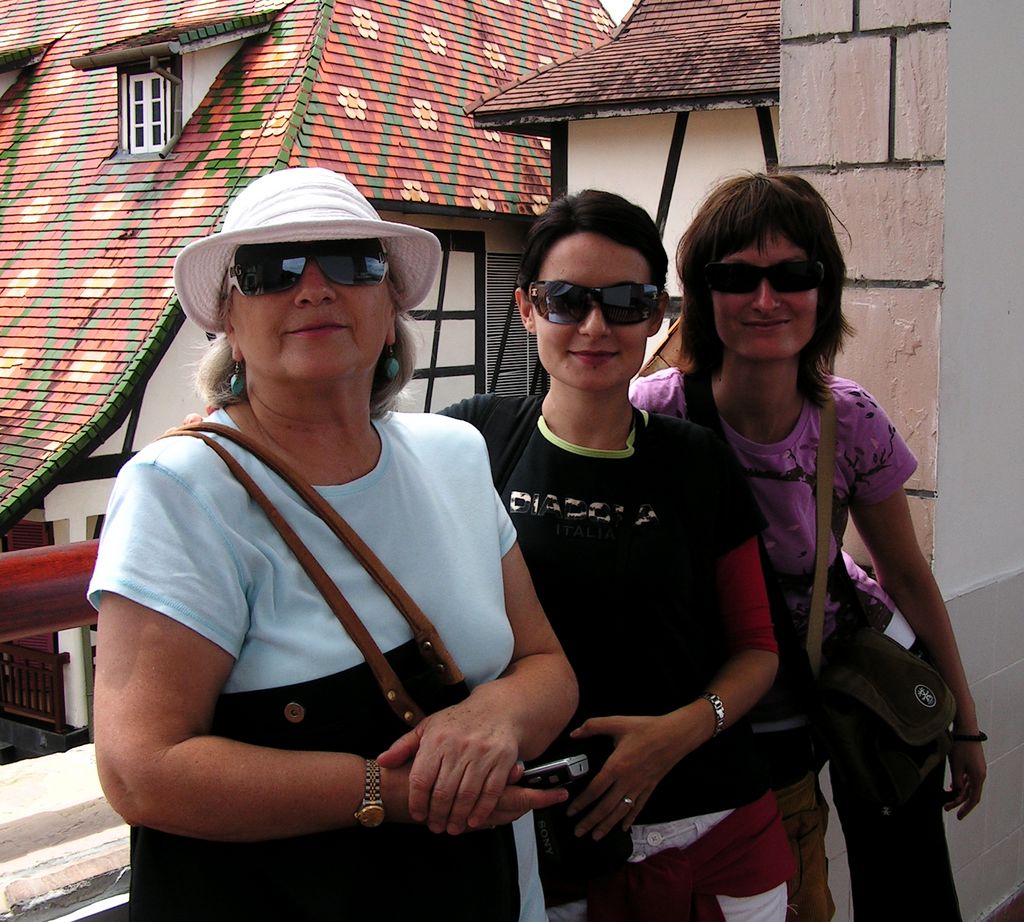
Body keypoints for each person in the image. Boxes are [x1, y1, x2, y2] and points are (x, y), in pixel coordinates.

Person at [88, 167, 579, 922]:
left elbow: (545, 664)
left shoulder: (454, 453)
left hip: (486, 890)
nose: (313, 288)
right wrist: (395, 793)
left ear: (390, 309)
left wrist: (497, 717)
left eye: (350, 261)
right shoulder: (182, 487)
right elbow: (141, 773)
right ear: (229, 320)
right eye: (270, 271)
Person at [630, 172, 986, 921]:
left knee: (910, 890)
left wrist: (964, 720)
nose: (766, 300)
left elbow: (908, 578)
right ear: (702, 292)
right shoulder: (655, 415)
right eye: (738, 277)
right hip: (732, 711)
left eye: (793, 275)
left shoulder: (847, 420)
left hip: (849, 684)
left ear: (823, 291)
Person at [442, 190, 794, 921]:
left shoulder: (697, 461)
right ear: (527, 307)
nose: (596, 327)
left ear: (657, 316)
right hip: (549, 845)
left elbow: (758, 649)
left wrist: (676, 735)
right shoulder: (468, 443)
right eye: (567, 300)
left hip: (717, 835)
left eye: (626, 302)